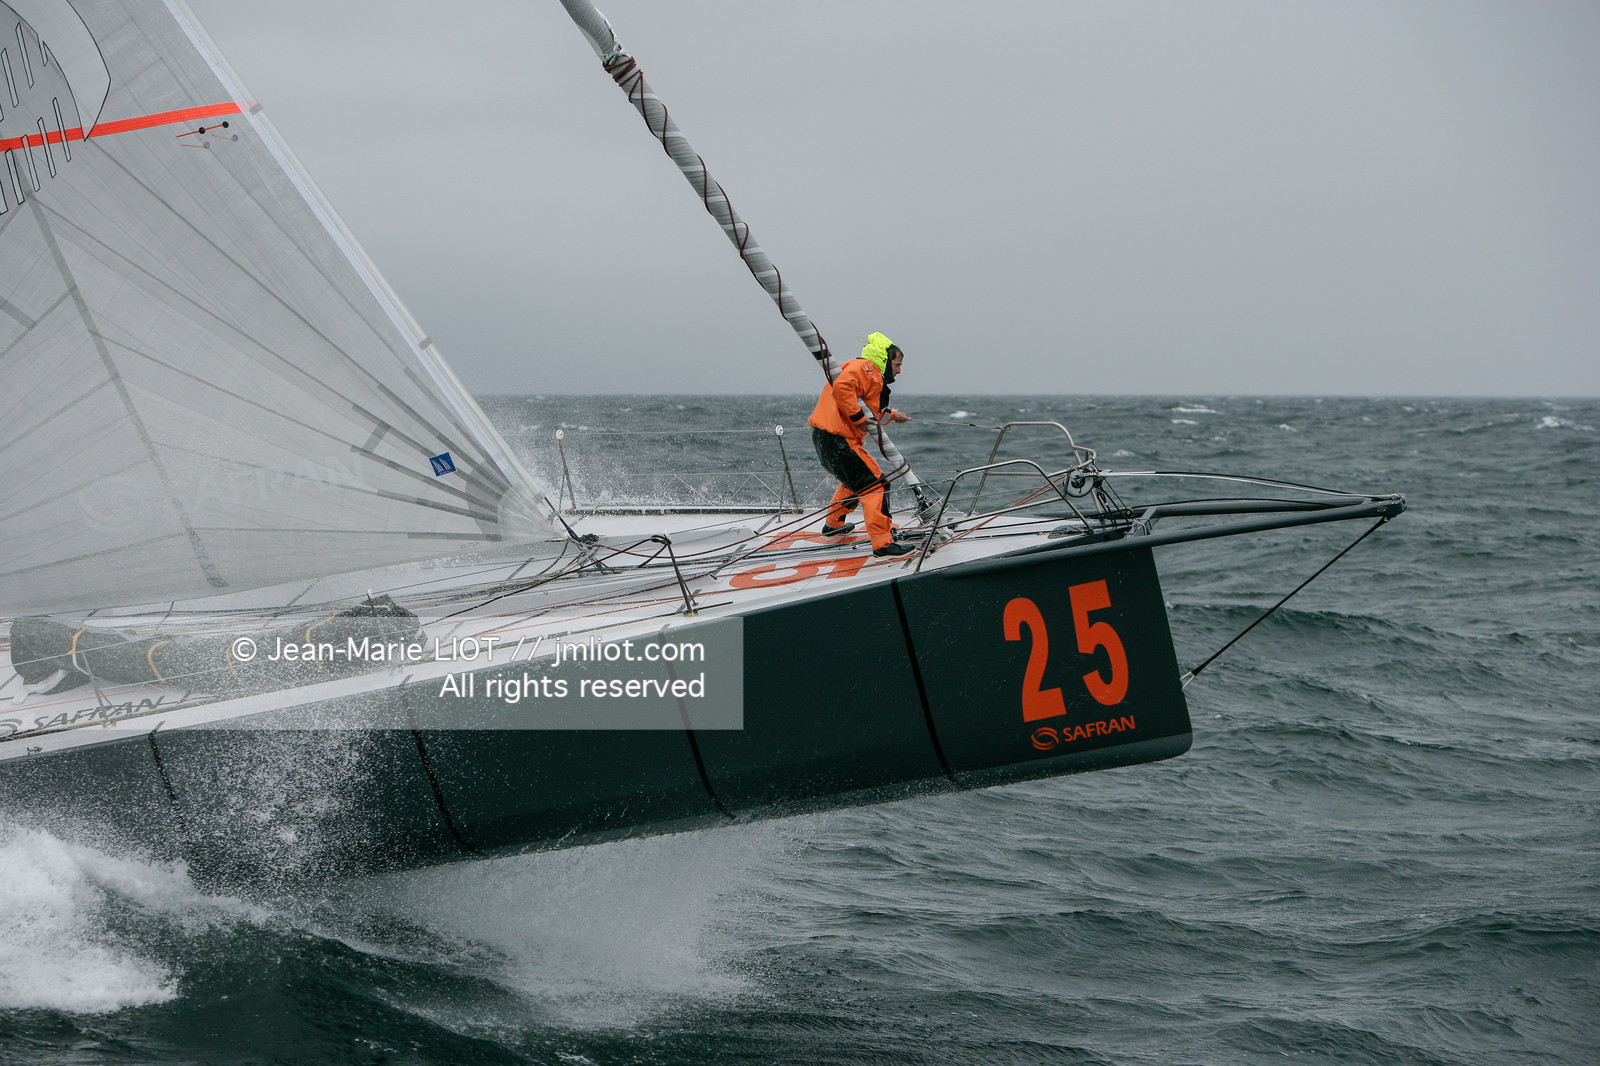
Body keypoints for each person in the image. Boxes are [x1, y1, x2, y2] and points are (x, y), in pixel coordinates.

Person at [808, 332, 915, 558]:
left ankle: (833, 526)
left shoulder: (868, 373)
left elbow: (868, 409)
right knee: (876, 485)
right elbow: (843, 389)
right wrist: (857, 418)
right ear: (885, 360)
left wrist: (894, 416)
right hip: (837, 440)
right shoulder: (866, 369)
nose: (899, 371)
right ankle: (882, 544)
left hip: (828, 439)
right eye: (897, 365)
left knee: (856, 482)